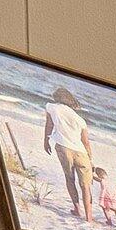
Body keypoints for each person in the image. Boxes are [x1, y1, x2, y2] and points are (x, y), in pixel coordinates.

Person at [40, 89, 94, 221]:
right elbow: (86, 142)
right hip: (81, 152)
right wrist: (90, 159)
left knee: (70, 178)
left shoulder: (51, 107)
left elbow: (49, 124)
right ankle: (89, 217)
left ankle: (77, 208)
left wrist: (46, 140)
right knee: (85, 185)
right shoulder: (80, 119)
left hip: (64, 147)